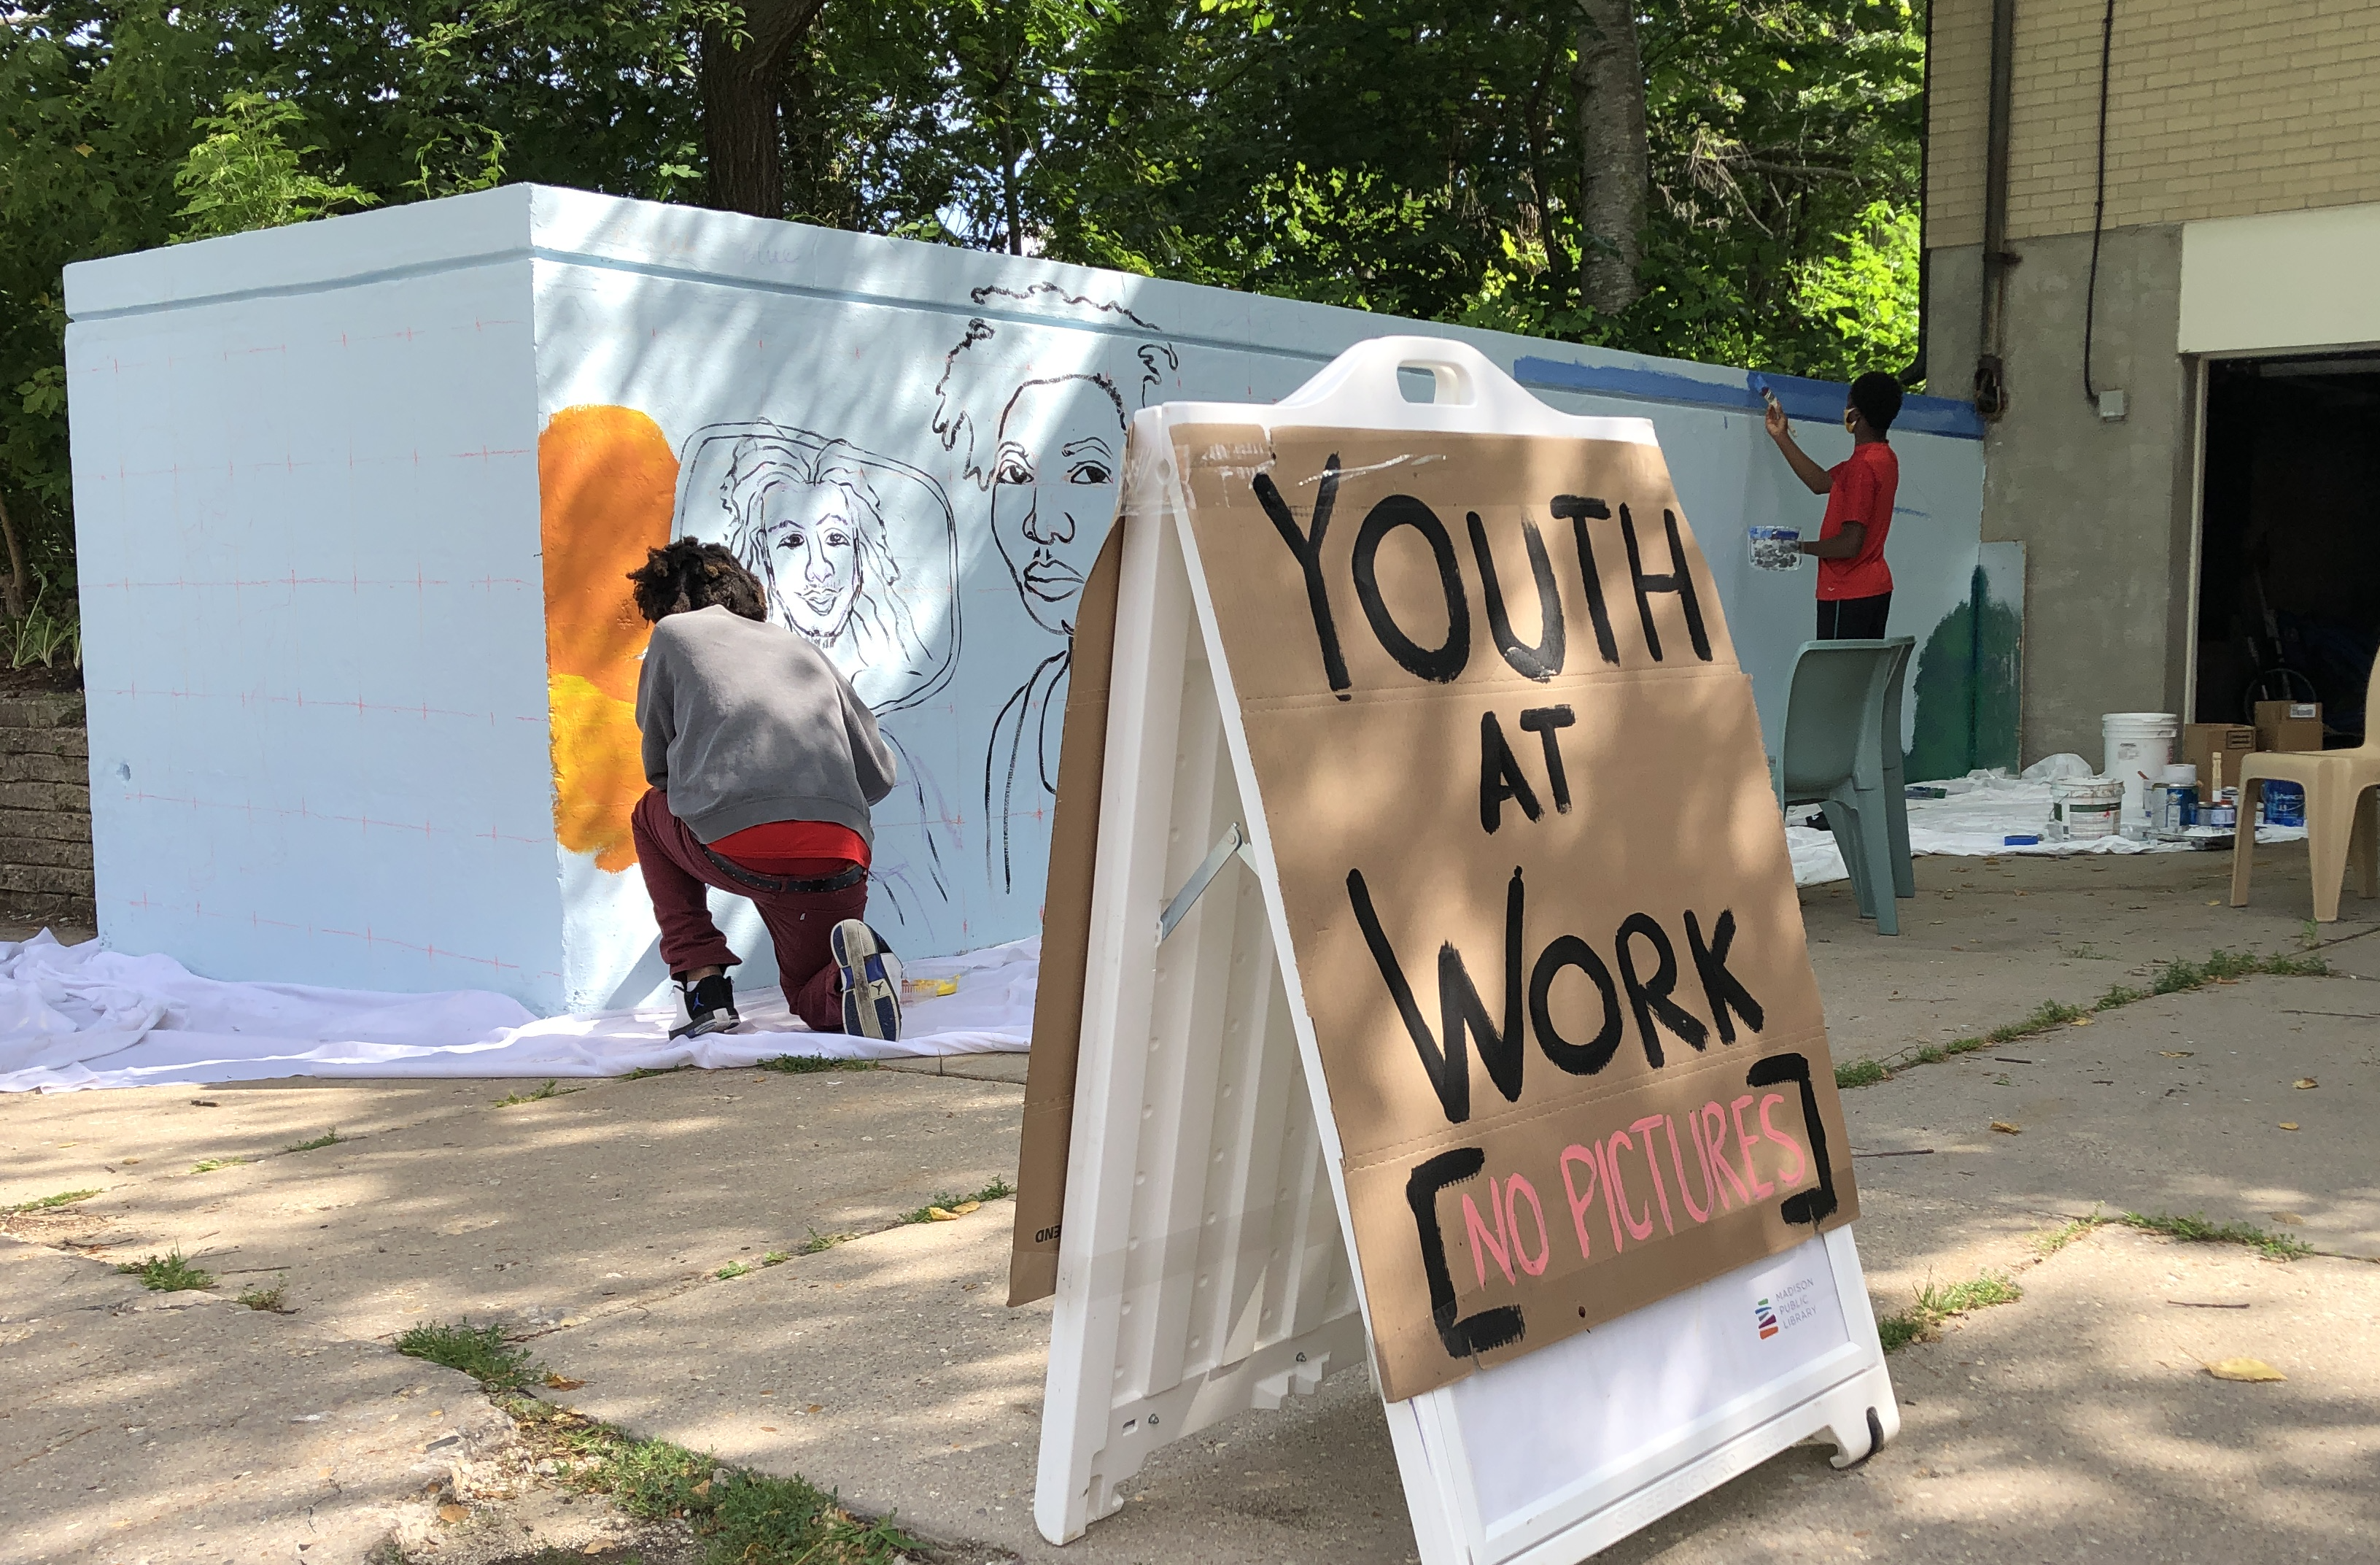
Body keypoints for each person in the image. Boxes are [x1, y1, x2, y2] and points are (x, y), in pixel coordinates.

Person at [625, 538, 904, 1043]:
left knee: (648, 816)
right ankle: (849, 978)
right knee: (808, 994)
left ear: (666, 602)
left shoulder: (673, 634)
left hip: (740, 843)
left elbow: (659, 771)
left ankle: (702, 988)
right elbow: (879, 776)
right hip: (839, 851)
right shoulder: (800, 648)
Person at [1764, 371, 1903, 639]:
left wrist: (1796, 547)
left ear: (1857, 415)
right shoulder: (1883, 458)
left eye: (1848, 404)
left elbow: (1850, 544)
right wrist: (1781, 437)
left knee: (1837, 679)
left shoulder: (1862, 467)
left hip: (1847, 592)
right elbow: (1820, 482)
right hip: (1874, 590)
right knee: (1858, 677)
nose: (1845, 410)